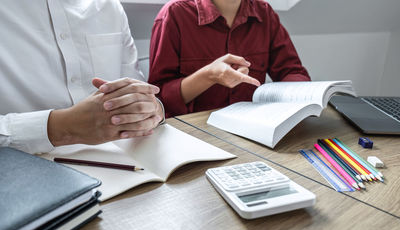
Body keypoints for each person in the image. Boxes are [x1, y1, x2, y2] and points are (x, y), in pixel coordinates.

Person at [0, 0, 165, 154]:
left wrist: (150, 109)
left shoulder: (109, 6)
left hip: (123, 157)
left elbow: (138, 95)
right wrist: (63, 127)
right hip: (24, 168)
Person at [149, 0, 311, 117]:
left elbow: (292, 71)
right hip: (193, 134)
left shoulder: (265, 13)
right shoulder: (174, 14)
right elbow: (158, 98)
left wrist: (301, 97)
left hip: (254, 128)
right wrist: (208, 76)